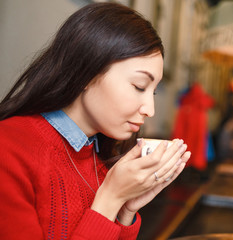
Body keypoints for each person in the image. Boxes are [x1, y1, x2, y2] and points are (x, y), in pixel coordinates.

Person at [0, 3, 191, 240]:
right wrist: (110, 198)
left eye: (152, 92)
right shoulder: (8, 148)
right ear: (86, 72)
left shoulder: (101, 153)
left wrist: (125, 209)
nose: (150, 109)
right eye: (139, 86)